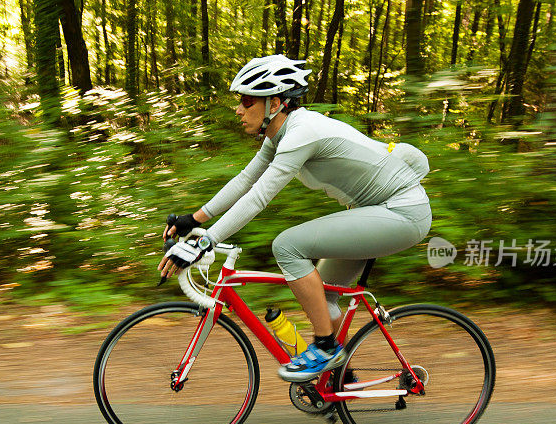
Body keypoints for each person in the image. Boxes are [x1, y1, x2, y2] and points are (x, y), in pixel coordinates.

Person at [158, 54, 431, 383]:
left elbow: (260, 197)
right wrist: (194, 218)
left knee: (287, 246)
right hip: (374, 212)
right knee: (325, 298)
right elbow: (246, 181)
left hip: (402, 212)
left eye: (247, 101)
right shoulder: (280, 135)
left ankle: (326, 348)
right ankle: (340, 380)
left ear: (274, 103)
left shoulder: (303, 131)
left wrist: (205, 242)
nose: (238, 109)